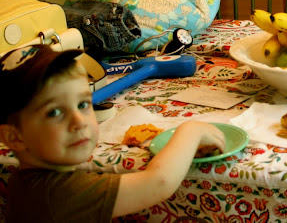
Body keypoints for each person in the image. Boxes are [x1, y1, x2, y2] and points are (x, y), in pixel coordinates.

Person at [0, 44, 225, 222]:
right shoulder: (57, 193)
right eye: (54, 112)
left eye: (82, 105)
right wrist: (191, 130)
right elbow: (158, 182)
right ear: (14, 137)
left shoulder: (28, 180)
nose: (79, 122)